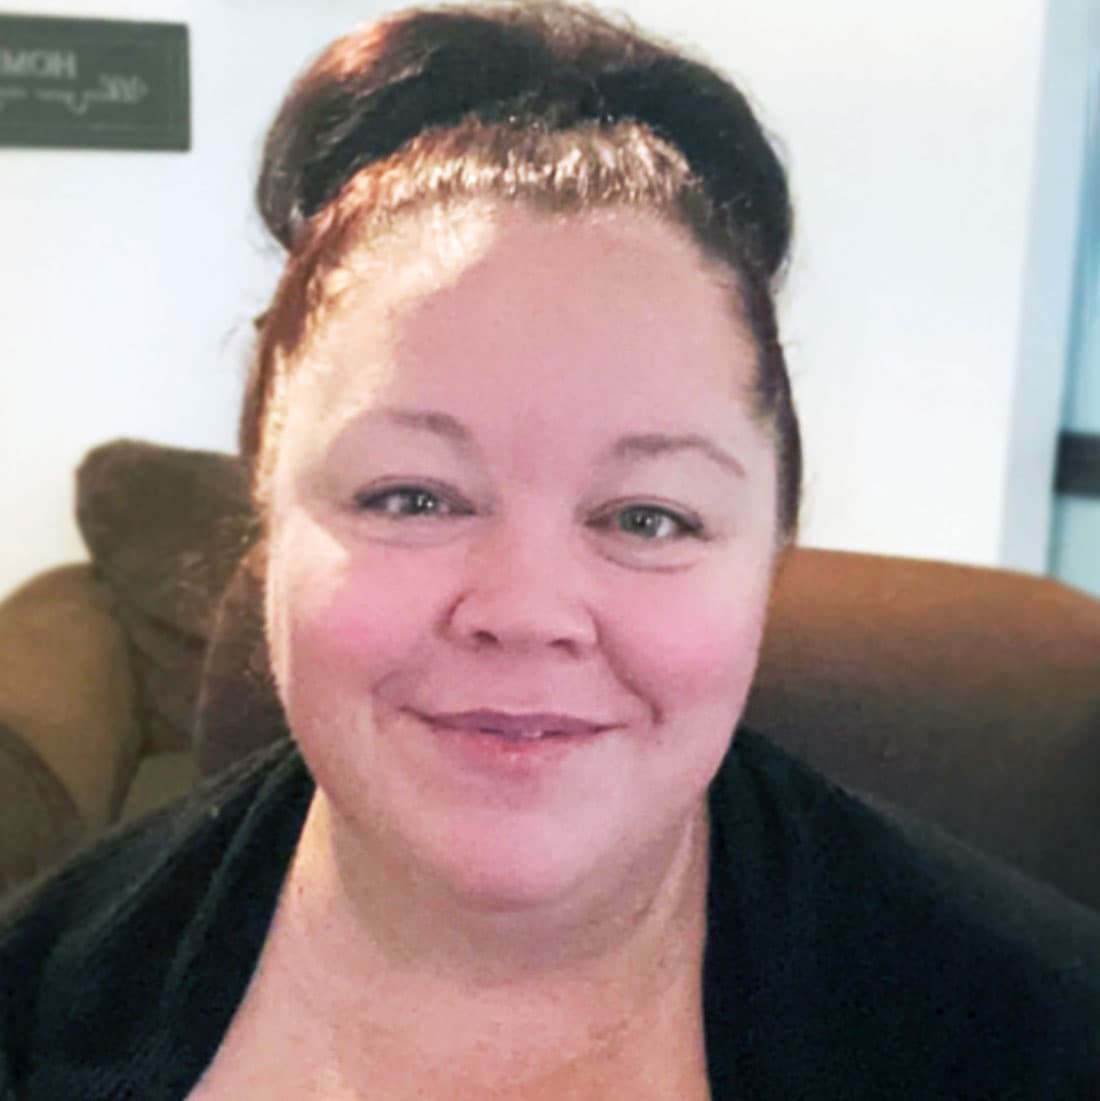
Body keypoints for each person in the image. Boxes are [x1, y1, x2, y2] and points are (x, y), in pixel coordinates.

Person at [2, 3, 1099, 1097]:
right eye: (413, 497)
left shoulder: (1035, 1034)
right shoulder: (39, 1003)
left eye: (646, 517)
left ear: (771, 546)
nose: (525, 610)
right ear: (269, 513)